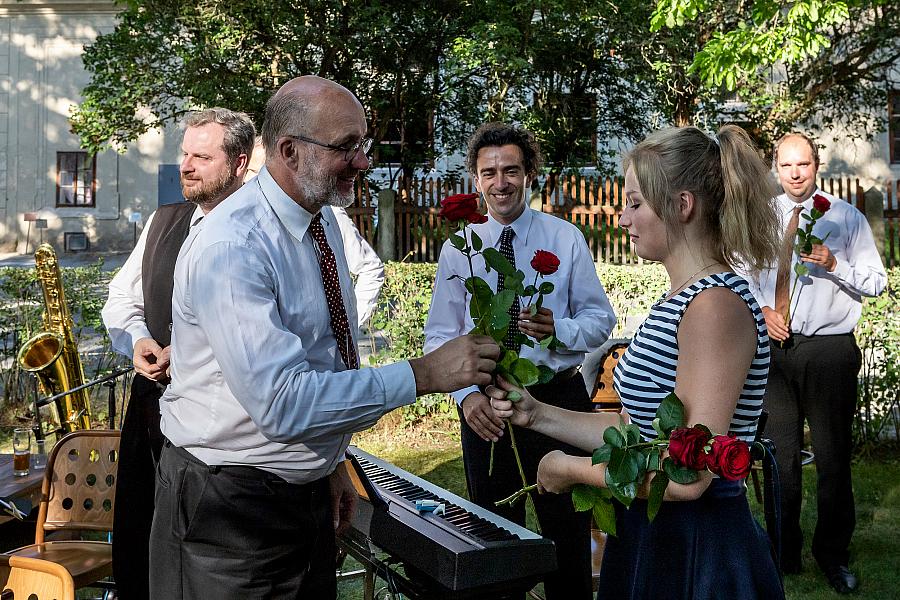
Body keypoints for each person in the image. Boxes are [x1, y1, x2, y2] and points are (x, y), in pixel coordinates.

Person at [148, 75, 500, 600]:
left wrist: (331, 463)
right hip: (229, 515)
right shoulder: (233, 245)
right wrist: (424, 374)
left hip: (298, 497)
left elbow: (324, 355)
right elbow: (285, 404)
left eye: (364, 145)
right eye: (346, 148)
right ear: (289, 151)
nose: (363, 162)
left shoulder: (322, 222)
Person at [488, 125, 786, 599]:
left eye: (634, 203)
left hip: (695, 546)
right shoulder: (683, 298)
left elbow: (690, 478)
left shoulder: (714, 307)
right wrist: (537, 414)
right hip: (655, 531)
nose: (622, 217)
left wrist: (570, 470)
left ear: (682, 205)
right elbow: (636, 435)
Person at [424, 122, 616, 599]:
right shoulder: (458, 250)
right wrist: (467, 398)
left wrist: (560, 329)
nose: (500, 182)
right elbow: (440, 336)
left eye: (511, 170)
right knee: (491, 542)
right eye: (489, 172)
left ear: (530, 174)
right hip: (487, 407)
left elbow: (600, 319)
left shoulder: (565, 237)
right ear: (475, 179)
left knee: (568, 536)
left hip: (557, 400)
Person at [102, 107, 255, 600]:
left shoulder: (263, 231)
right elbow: (122, 299)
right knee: (143, 549)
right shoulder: (164, 220)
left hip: (223, 438)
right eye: (184, 154)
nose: (185, 166)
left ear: (239, 162)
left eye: (201, 157)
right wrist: (138, 340)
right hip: (151, 415)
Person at [748, 133, 886, 593]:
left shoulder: (846, 218)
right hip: (775, 351)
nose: (794, 174)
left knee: (832, 458)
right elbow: (738, 275)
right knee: (778, 458)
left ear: (816, 164)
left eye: (803, 164)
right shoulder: (760, 219)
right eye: (786, 165)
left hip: (829, 351)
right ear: (775, 166)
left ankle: (833, 555)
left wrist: (835, 264)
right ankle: (782, 553)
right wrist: (761, 311)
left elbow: (876, 282)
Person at [244, 136, 385, 327]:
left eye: (264, 171)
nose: (255, 179)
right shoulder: (242, 231)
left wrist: (348, 328)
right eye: (252, 172)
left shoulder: (327, 213)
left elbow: (369, 267)